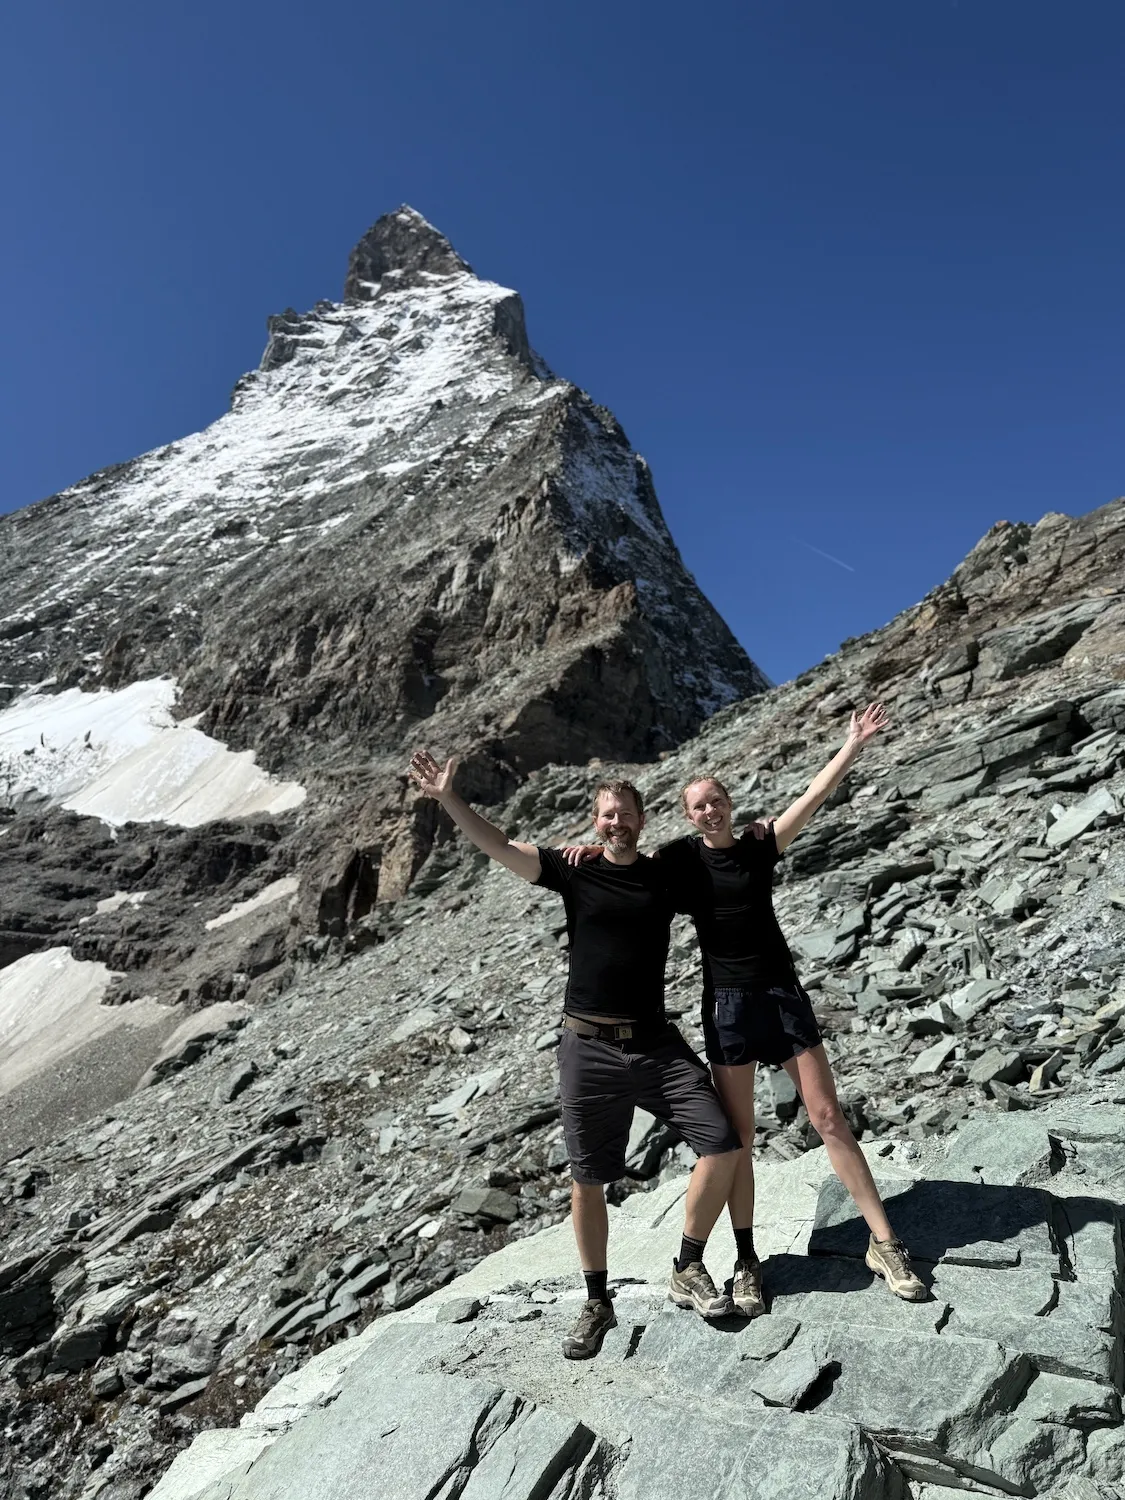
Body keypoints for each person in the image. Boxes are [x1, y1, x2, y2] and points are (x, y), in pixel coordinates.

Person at [567, 704, 926, 1313]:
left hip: (782, 996)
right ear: (686, 817)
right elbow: (625, 862)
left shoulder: (761, 843)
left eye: (716, 801)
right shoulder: (677, 861)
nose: (709, 811)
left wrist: (853, 744)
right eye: (698, 805)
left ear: (729, 805)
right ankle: (746, 1261)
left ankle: (885, 1242)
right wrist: (591, 848)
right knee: (739, 1139)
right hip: (727, 1005)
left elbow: (812, 798)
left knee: (828, 1118)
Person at [407, 749, 745, 1359]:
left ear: (642, 820)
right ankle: (597, 1300)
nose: (616, 823)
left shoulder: (665, 870)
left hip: (655, 1043)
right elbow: (501, 846)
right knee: (589, 1181)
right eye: (606, 816)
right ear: (595, 823)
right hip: (587, 1048)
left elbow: (722, 854)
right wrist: (450, 799)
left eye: (625, 814)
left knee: (721, 1144)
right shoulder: (572, 870)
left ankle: (687, 1265)